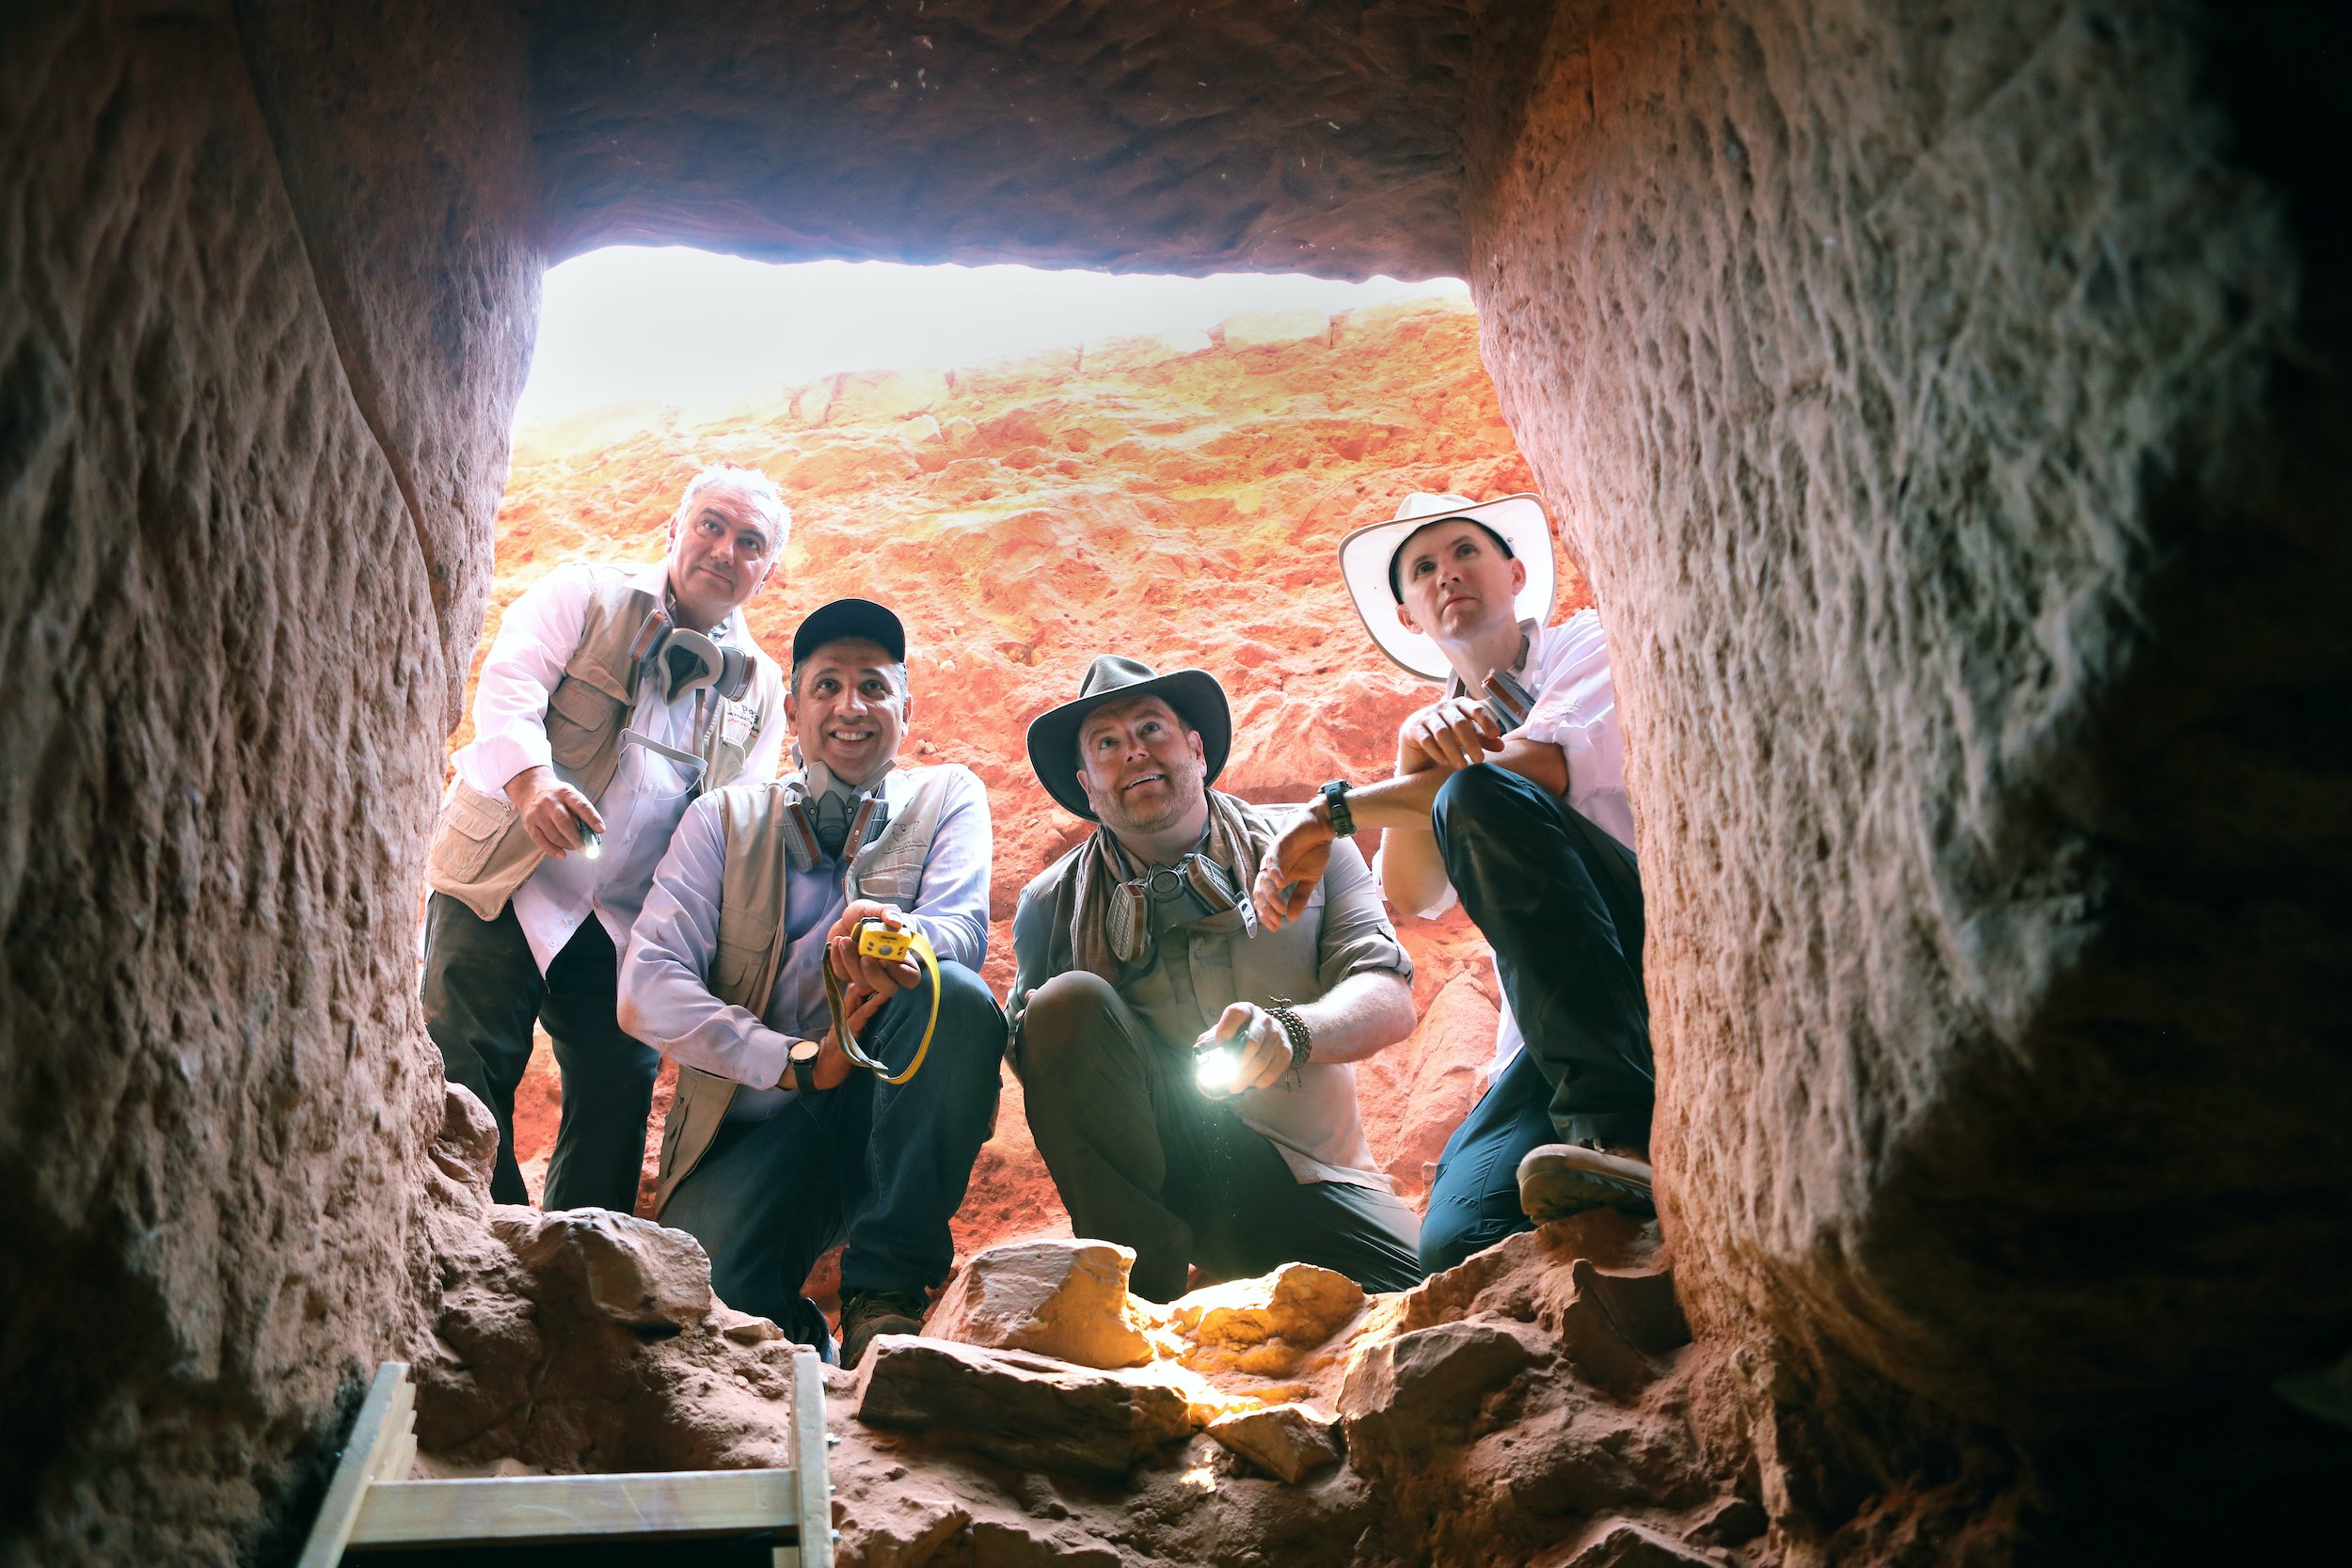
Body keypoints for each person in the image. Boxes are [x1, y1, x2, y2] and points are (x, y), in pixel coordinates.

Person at [1252, 492, 1651, 1276]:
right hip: (1558, 1024)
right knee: (1457, 1241)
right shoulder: (1439, 723)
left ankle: (1619, 1131)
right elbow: (1413, 891)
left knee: (1478, 793)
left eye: (1466, 552)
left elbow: (1543, 767)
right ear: (1409, 615)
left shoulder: (1590, 643)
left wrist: (1328, 813)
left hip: (1642, 948)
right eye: (1423, 568)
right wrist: (1411, 755)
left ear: (1515, 570)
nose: (1448, 576)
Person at [618, 598, 1005, 1365]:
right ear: (792, 708)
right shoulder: (720, 820)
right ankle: (815, 1357)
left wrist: (897, 936)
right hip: (760, 1125)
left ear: (905, 705)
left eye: (873, 685)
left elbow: (961, 930)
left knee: (956, 992)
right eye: (826, 686)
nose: (850, 706)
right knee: (708, 1303)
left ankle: (884, 1296)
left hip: (891, 1106)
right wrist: (799, 1060)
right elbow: (646, 984)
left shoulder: (949, 795)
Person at [422, 465, 789, 1212]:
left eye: (749, 542)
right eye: (711, 526)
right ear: (675, 532)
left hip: (622, 922)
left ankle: (575, 1276)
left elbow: (735, 825)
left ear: (766, 571)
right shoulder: (582, 591)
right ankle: (477, 1239)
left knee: (620, 1090)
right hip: (507, 878)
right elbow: (510, 683)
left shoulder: (763, 690)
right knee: (462, 1061)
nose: (724, 550)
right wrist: (531, 783)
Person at [1008, 656, 1424, 1302]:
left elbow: (1389, 995)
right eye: (1108, 744)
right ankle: (1140, 1299)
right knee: (1062, 1005)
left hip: (1317, 1173)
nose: (1135, 753)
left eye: (1152, 729)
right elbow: (1045, 1069)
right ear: (1087, 785)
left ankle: (1241, 1265)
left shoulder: (1310, 846)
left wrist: (1291, 1030)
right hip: (1175, 1175)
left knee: (1431, 1294)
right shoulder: (1048, 906)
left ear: (1196, 750)